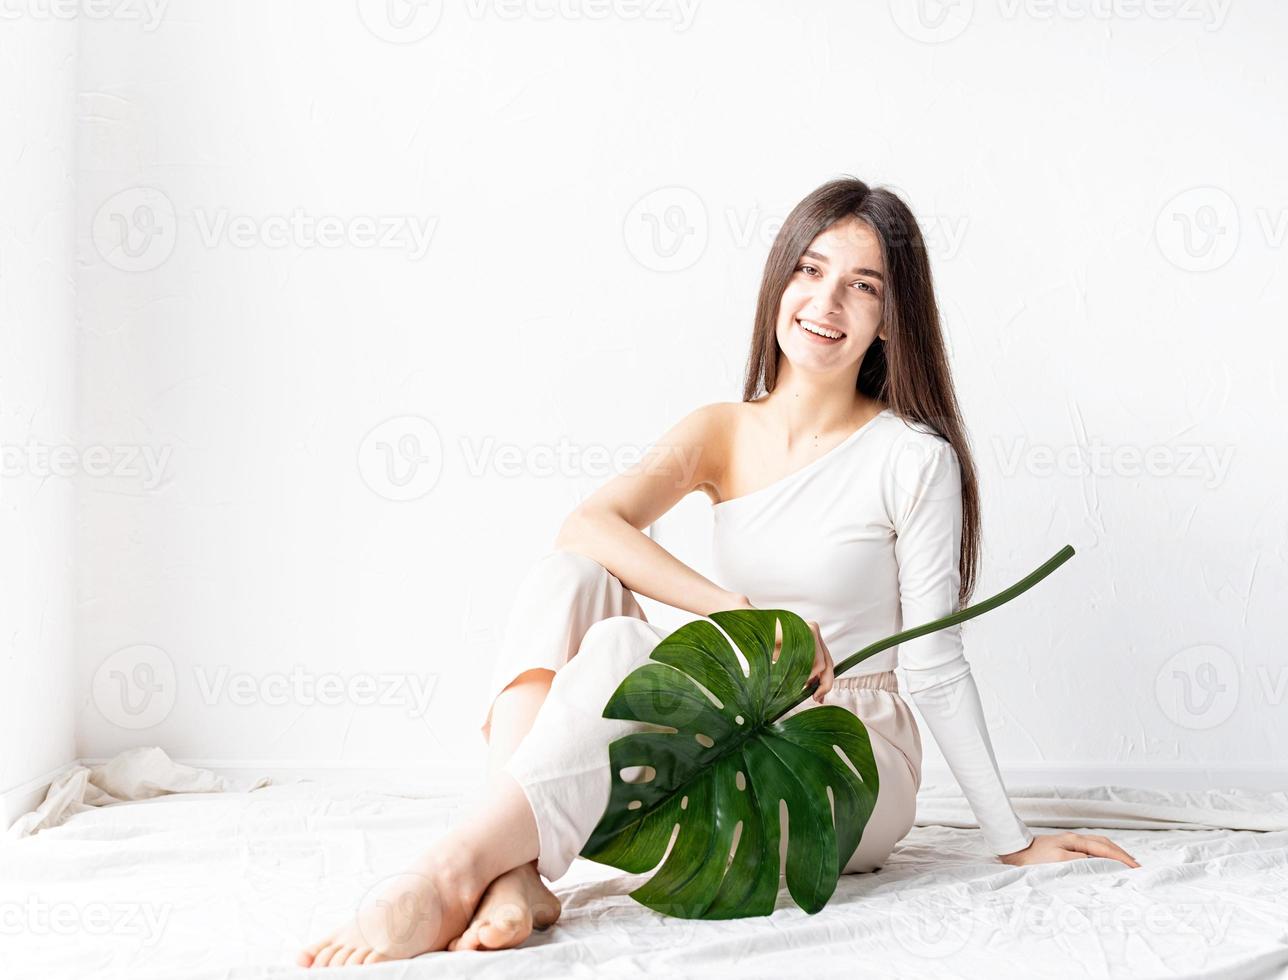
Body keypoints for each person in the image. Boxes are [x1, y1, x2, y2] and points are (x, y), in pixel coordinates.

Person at [297, 177, 1140, 969]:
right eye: (811, 270)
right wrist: (734, 612)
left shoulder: (912, 460)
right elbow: (588, 523)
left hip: (844, 744)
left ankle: (452, 870)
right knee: (569, 579)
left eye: (864, 285)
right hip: (727, 706)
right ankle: (516, 870)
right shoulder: (721, 430)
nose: (826, 302)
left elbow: (937, 669)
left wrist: (1011, 837)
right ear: (780, 281)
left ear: (891, 320)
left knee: (625, 646)